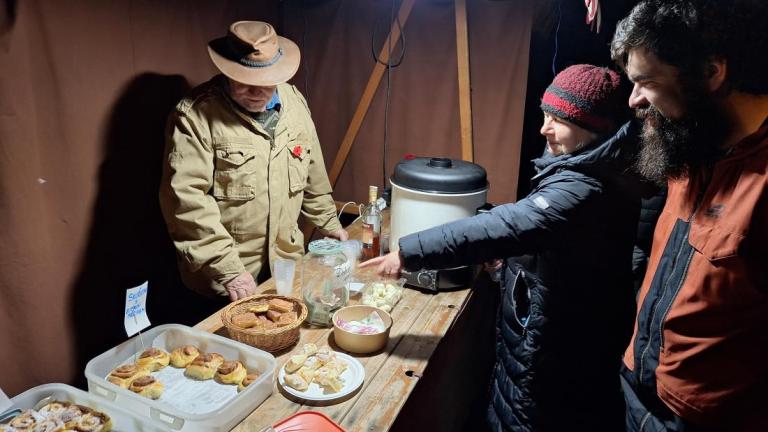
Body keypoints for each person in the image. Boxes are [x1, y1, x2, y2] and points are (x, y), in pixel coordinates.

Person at [362, 65, 643, 431]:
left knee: (523, 416)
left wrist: (407, 253)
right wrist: (510, 263)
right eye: (545, 115)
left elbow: (506, 225)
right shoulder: (589, 165)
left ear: (594, 127)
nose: (544, 128)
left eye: (558, 119)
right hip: (548, 334)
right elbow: (550, 242)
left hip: (555, 351)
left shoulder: (585, 187)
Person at [610, 1, 768, 430]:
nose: (634, 99)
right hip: (640, 387)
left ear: (711, 73)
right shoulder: (691, 143)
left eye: (646, 82)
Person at [160, 21, 347, 302]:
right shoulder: (195, 116)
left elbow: (312, 173)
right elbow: (186, 202)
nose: (255, 91)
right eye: (243, 81)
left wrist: (329, 223)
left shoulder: (295, 104)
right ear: (226, 71)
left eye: (264, 82)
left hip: (284, 267)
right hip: (225, 278)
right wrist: (228, 269)